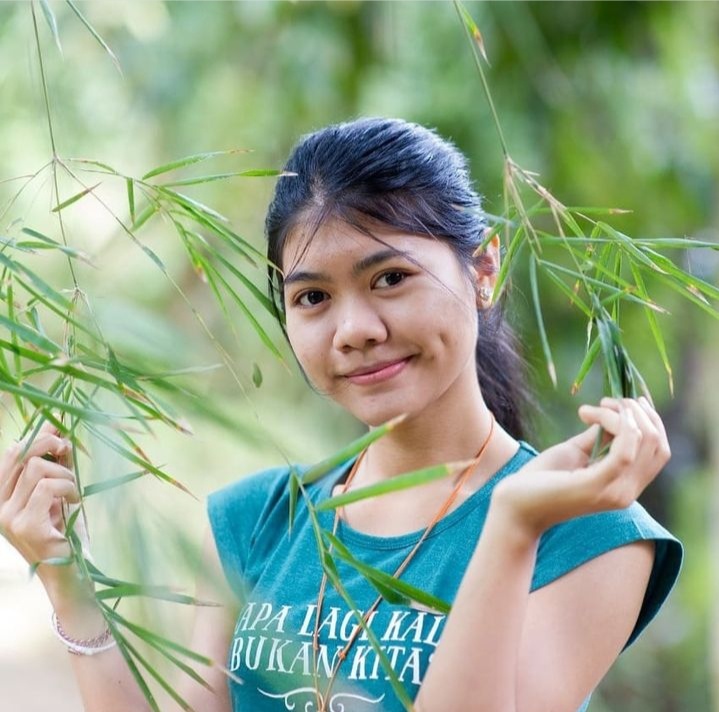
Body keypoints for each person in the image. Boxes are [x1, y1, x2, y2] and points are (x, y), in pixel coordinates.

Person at [0, 117, 682, 712]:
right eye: (313, 298)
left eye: (389, 278)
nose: (352, 329)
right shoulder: (255, 522)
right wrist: (66, 576)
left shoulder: (586, 532)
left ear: (482, 272)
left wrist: (512, 525)